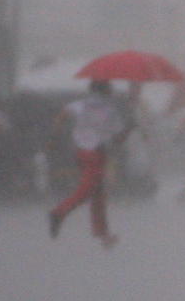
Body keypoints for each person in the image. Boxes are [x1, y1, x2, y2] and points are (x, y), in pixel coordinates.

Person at [48, 80, 128, 249]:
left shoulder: (80, 104)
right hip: (97, 153)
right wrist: (130, 128)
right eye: (110, 87)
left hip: (81, 152)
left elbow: (62, 116)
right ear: (105, 90)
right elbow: (118, 138)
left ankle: (103, 234)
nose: (112, 90)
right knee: (87, 190)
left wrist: (56, 134)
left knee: (97, 192)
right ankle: (59, 212)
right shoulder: (110, 110)